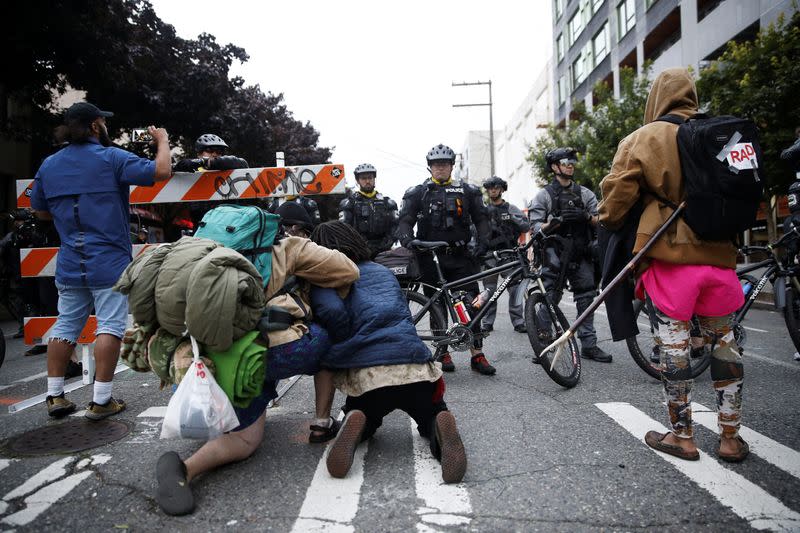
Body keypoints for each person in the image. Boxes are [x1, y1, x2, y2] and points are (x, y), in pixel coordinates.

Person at [155, 225, 360, 516]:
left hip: (211, 357)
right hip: (273, 352)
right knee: (324, 334)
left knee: (245, 432)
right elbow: (348, 271)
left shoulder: (206, 247)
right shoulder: (291, 246)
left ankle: (185, 469)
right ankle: (321, 422)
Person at [599, 67, 748, 462]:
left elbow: (614, 207)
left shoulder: (644, 138)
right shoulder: (719, 133)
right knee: (725, 347)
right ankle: (731, 438)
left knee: (675, 349)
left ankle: (682, 436)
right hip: (720, 258)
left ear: (656, 98)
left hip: (671, 260)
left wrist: (610, 220)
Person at [30, 101, 172, 419]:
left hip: (70, 260)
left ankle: (55, 396)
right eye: (102, 123)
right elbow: (162, 171)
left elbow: (39, 210)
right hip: (108, 260)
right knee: (109, 325)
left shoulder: (49, 165)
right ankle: (102, 400)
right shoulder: (111, 158)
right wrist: (162, 141)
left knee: (65, 324)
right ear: (95, 126)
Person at [308, 221, 467, 484]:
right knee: (430, 413)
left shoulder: (327, 277)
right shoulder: (383, 272)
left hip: (371, 376)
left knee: (365, 414)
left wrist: (341, 343)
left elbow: (332, 313)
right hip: (414, 365)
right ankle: (439, 424)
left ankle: (357, 421)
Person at [397, 144, 495, 375]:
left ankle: (477, 354)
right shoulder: (418, 192)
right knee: (436, 305)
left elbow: (481, 219)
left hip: (461, 257)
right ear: (429, 167)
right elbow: (404, 220)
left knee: (470, 303)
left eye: (444, 164)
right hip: (430, 258)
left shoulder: (468, 191)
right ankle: (443, 350)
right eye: (436, 164)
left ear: (452, 165)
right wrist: (407, 240)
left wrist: (483, 242)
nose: (440, 168)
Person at [528, 147, 612, 363]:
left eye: (572, 162)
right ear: (554, 167)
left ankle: (589, 344)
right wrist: (553, 223)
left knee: (586, 297)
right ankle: (544, 343)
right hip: (554, 253)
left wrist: (585, 216)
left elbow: (601, 220)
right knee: (550, 297)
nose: (570, 165)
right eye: (566, 162)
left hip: (581, 252)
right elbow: (535, 227)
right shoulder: (543, 195)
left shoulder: (585, 194)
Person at [480, 176, 530, 333]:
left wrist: (511, 218)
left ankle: (518, 322)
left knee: (515, 289)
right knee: (489, 291)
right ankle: (487, 322)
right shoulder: (483, 211)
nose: (493, 190)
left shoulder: (510, 208)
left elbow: (525, 226)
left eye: (496, 187)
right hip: (489, 256)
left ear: (502, 189)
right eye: (490, 188)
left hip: (509, 254)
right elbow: (475, 232)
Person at [338, 163, 398, 258]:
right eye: (363, 178)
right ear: (358, 181)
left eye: (370, 178)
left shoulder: (388, 202)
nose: (367, 181)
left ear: (374, 179)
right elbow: (344, 229)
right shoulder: (349, 203)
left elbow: (395, 227)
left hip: (384, 251)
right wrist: (360, 247)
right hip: (359, 252)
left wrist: (385, 245)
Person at [172, 133, 249, 172]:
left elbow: (243, 163)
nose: (215, 154)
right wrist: (202, 162)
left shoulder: (227, 165)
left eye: (219, 151)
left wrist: (209, 163)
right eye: (209, 150)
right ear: (199, 154)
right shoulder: (192, 167)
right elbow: (180, 165)